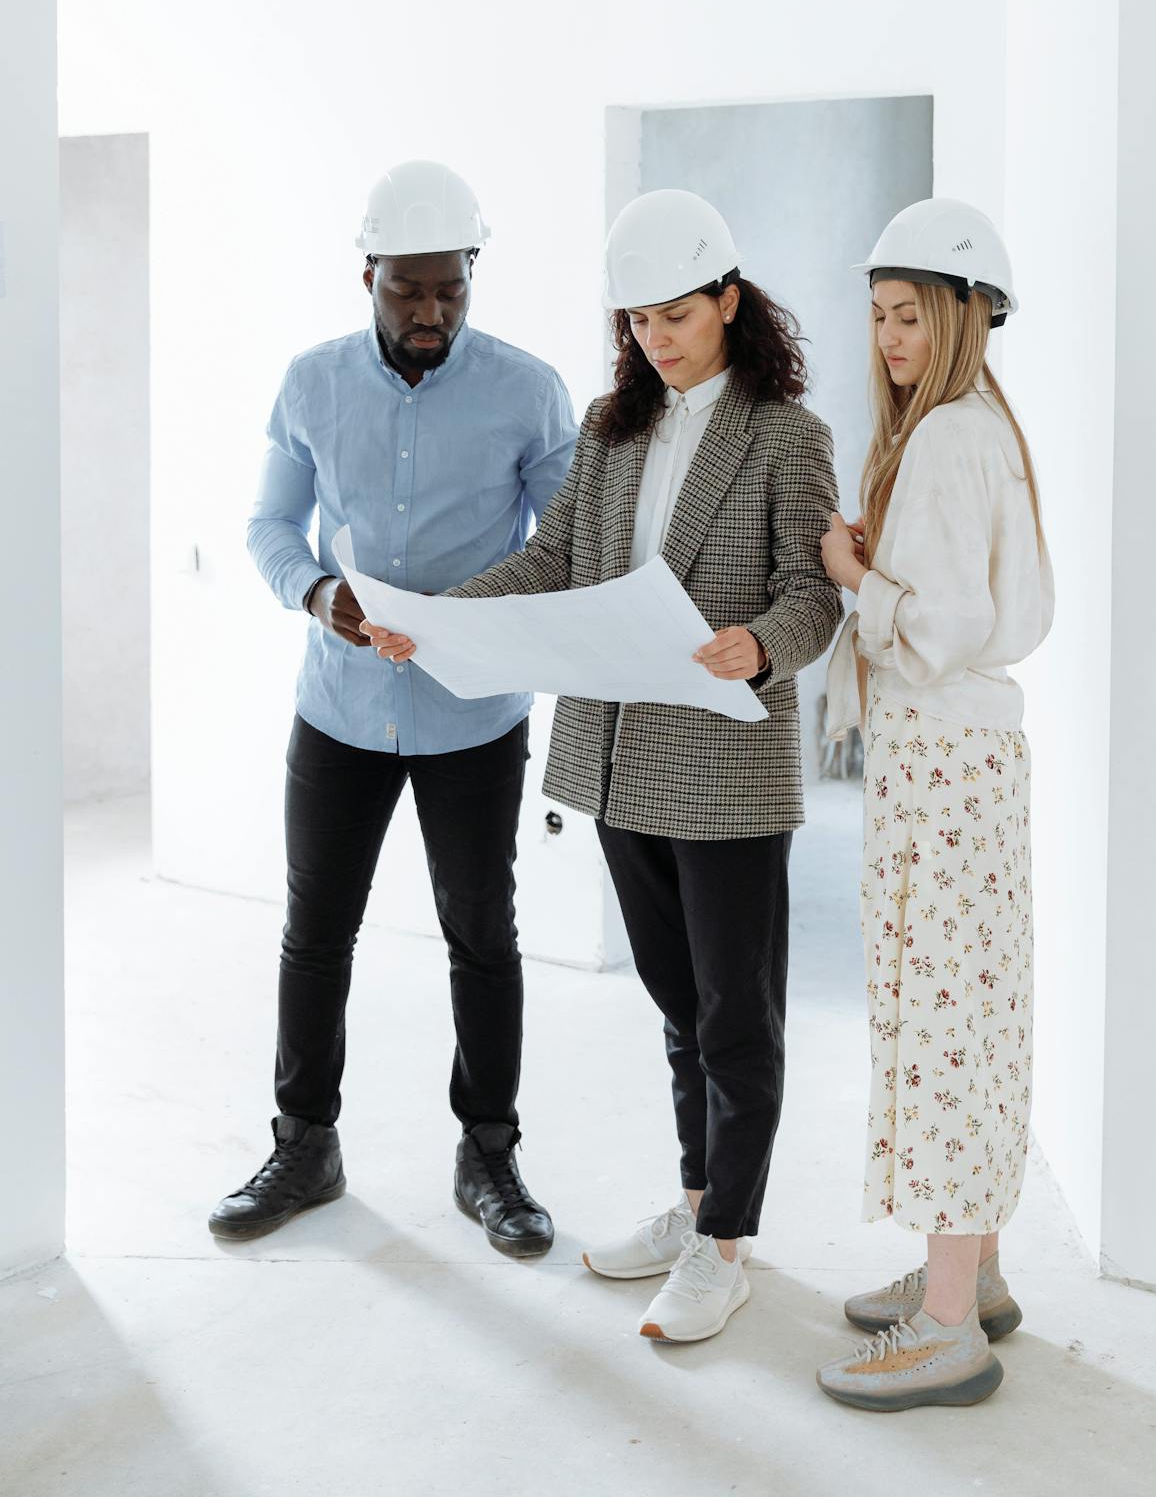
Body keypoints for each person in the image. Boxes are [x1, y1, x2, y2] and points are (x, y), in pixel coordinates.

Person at [365, 189, 842, 1343]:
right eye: (637, 320)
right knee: (679, 1007)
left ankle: (727, 1243)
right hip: (623, 761)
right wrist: (434, 616)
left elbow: (815, 593)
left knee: (738, 1016)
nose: (657, 339)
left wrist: (763, 642)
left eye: (678, 314)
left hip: (726, 759)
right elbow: (554, 564)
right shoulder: (612, 427)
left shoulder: (789, 435)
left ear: (731, 301)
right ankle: (696, 1204)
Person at [209, 161, 576, 1258]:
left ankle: (491, 1154)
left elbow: (560, 548)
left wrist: (476, 612)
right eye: (406, 290)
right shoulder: (310, 383)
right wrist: (319, 594)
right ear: (365, 273)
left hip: (474, 715)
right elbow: (271, 528)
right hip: (340, 709)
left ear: (472, 274)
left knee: (482, 934)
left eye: (450, 291)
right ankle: (304, 1143)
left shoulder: (528, 389)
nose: (430, 314)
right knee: (316, 929)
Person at [815, 197, 1053, 1412]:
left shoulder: (952, 436)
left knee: (945, 1020)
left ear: (964, 317)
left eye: (910, 314)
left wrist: (856, 574)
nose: (889, 337)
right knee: (971, 1011)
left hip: (945, 761)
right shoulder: (973, 429)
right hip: (964, 764)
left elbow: (941, 627)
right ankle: (978, 1272)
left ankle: (951, 1325)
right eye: (878, 315)